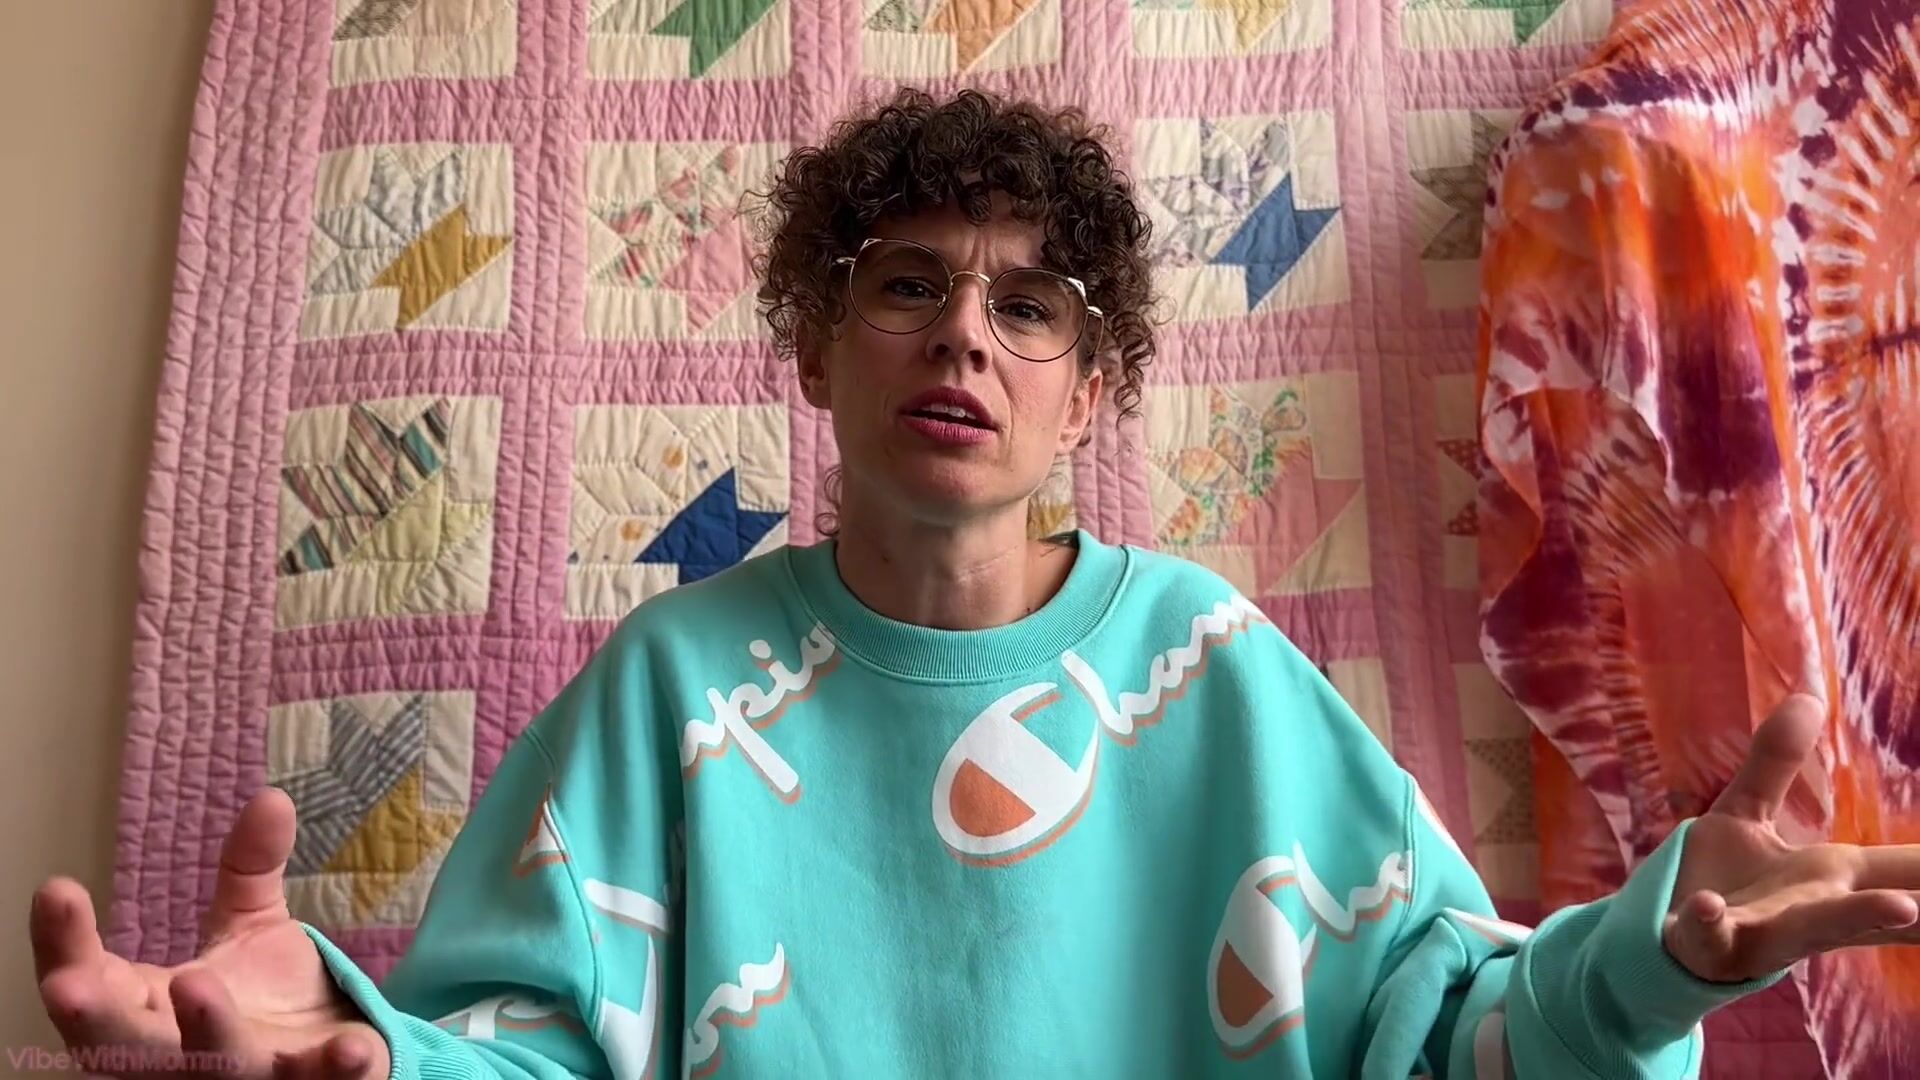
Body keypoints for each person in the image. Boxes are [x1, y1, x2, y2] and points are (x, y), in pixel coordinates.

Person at [29, 86, 1920, 1080]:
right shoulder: (672, 687)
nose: (964, 336)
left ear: (1090, 391)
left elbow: (1456, 1045)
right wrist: (355, 1045)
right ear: (815, 344)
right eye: (908, 285)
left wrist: (1652, 962)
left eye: (1033, 307)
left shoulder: (1218, 671)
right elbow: (516, 1061)